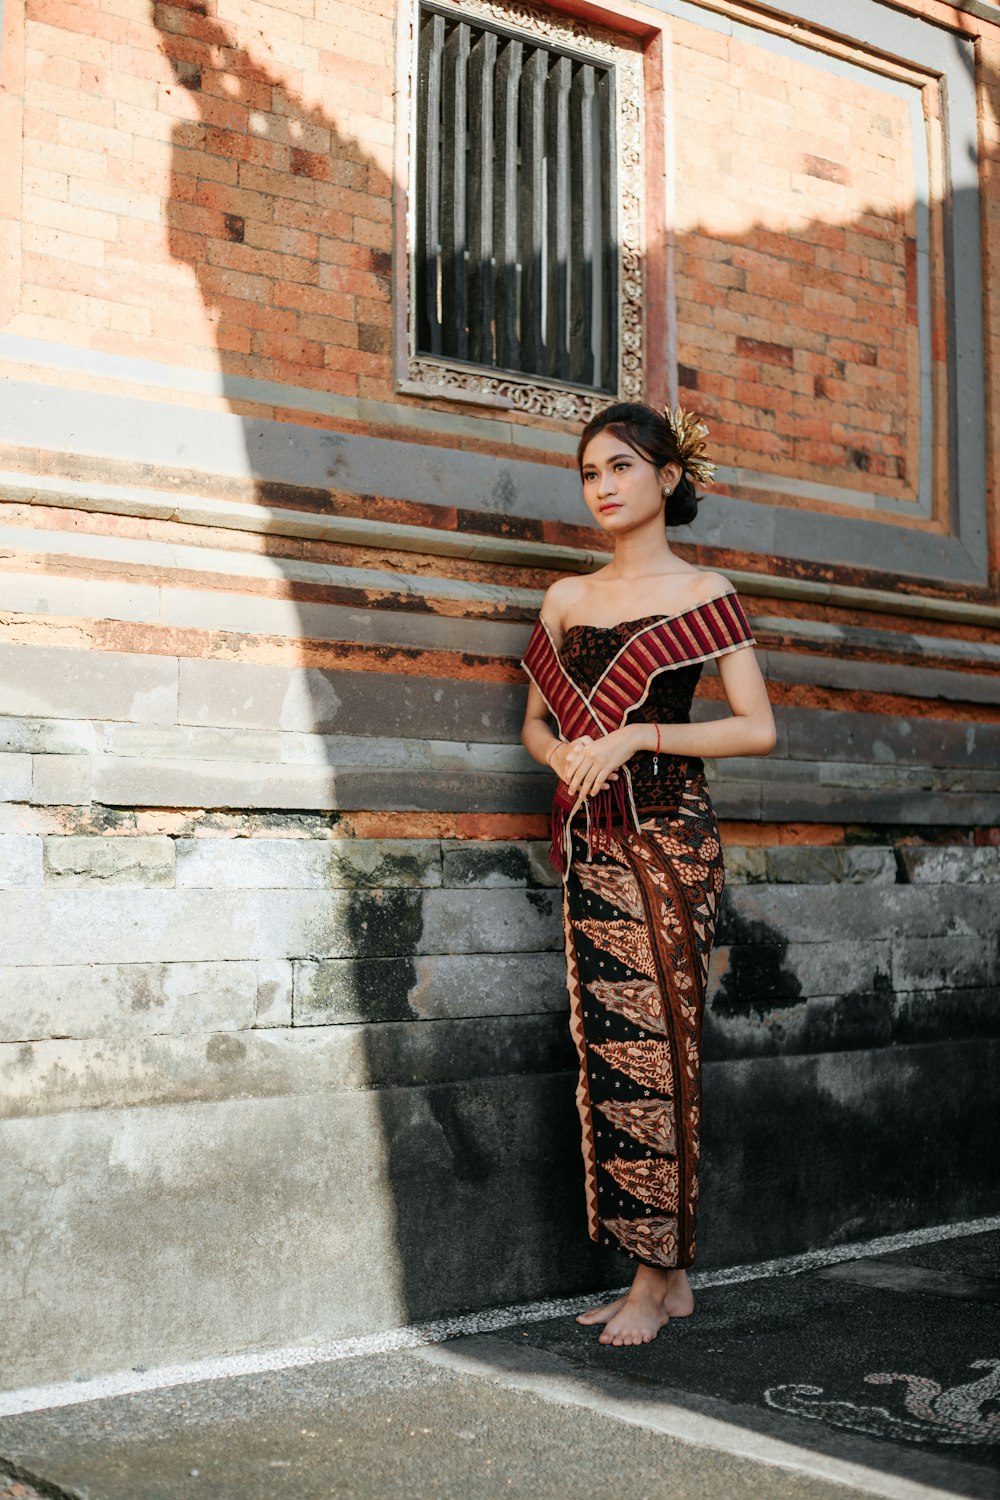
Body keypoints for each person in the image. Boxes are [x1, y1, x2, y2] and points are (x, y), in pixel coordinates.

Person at [520, 400, 776, 1348]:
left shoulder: (706, 592)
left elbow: (757, 727)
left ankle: (653, 1277)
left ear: (667, 478)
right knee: (609, 1050)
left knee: (661, 1047)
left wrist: (634, 733)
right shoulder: (565, 600)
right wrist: (562, 758)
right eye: (590, 473)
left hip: (669, 839)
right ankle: (662, 1280)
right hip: (591, 843)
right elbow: (537, 725)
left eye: (620, 467)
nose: (603, 488)